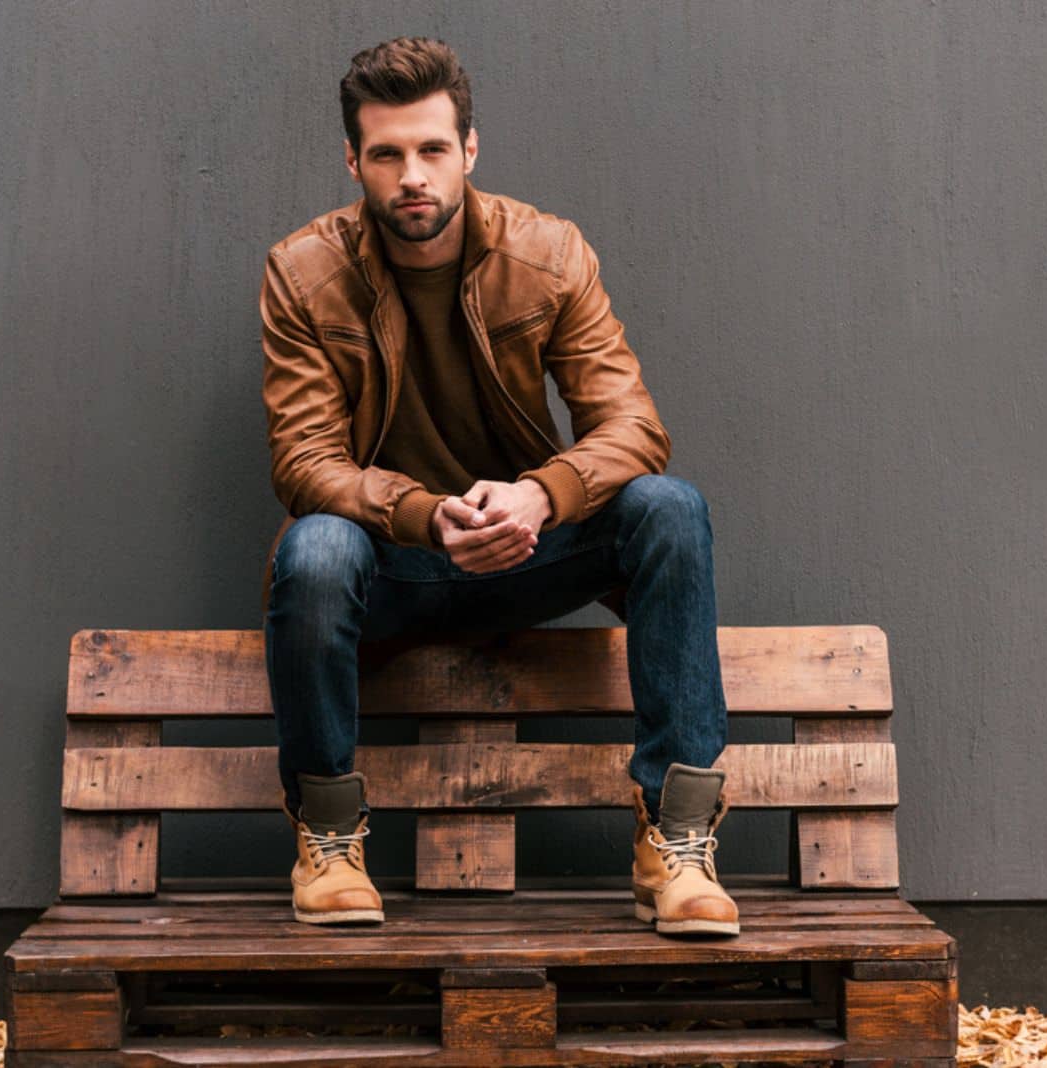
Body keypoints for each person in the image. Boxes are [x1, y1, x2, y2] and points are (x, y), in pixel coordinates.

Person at [257, 36, 738, 937]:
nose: (413, 176)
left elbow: (635, 428)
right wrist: (422, 515)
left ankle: (675, 844)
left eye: (433, 150)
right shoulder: (304, 272)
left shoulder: (549, 254)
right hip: (392, 564)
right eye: (388, 153)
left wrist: (540, 496)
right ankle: (327, 840)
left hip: (530, 552)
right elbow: (305, 461)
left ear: (469, 151)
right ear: (353, 160)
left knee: (669, 508)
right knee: (314, 546)